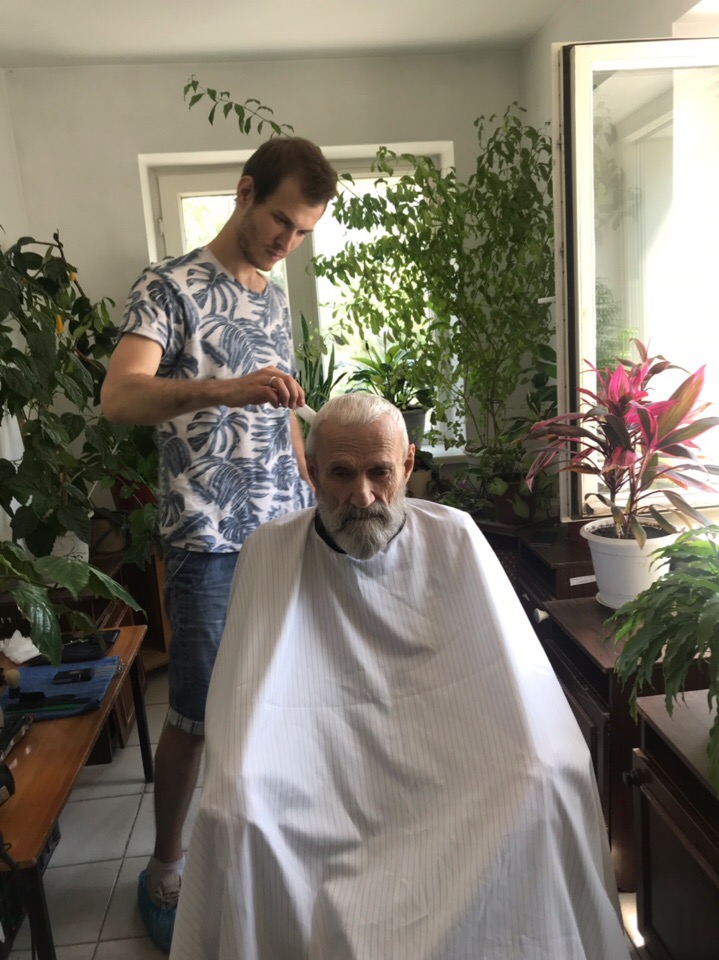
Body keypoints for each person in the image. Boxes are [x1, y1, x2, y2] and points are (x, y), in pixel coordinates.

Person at [169, 393, 631, 960]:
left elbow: (511, 673)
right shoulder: (270, 551)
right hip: (319, 763)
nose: (362, 495)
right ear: (311, 470)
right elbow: (244, 696)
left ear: (408, 465)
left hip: (445, 756)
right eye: (341, 474)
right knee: (235, 808)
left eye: (379, 472)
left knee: (551, 774)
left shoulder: (455, 535)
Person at [100, 137, 338, 953]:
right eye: (280, 220)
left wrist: (313, 490)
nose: (286, 241)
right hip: (205, 537)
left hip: (285, 534)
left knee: (281, 700)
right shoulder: (167, 286)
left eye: (302, 232)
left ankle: (264, 850)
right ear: (244, 192)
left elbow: (282, 417)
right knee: (196, 716)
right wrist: (223, 388)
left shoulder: (272, 298)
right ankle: (165, 867)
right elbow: (119, 397)